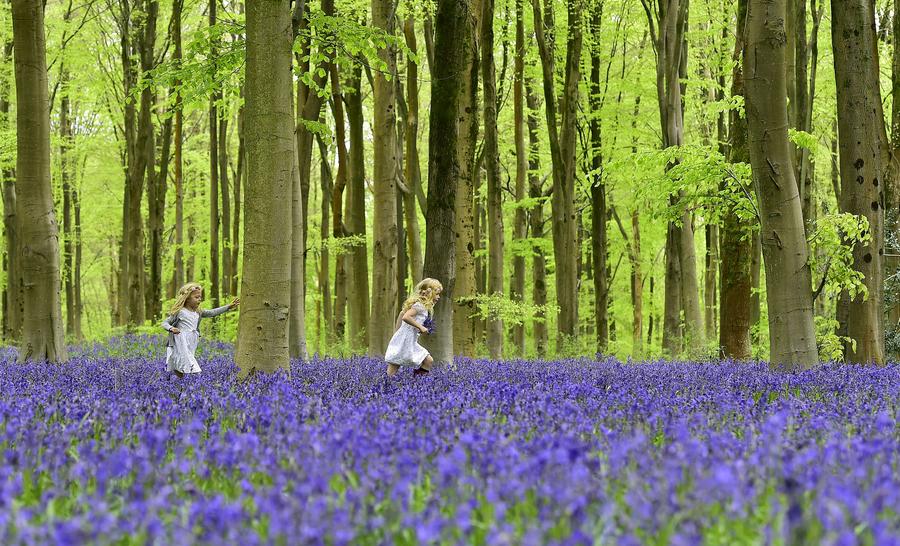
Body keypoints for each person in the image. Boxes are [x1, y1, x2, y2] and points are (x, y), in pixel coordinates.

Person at [162, 282, 239, 377]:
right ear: (187, 299)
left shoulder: (198, 312)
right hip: (180, 341)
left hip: (192, 341)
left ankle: (180, 384)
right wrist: (171, 328)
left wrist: (228, 307)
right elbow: (165, 323)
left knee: (182, 363)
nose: (199, 300)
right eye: (196, 297)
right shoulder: (180, 312)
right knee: (190, 364)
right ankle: (196, 377)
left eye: (200, 297)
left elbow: (212, 313)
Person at [384, 278, 442, 377]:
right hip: (405, 340)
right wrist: (421, 327)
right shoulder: (420, 306)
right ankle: (385, 387)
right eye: (437, 294)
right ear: (429, 293)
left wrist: (396, 333)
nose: (439, 297)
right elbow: (406, 317)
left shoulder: (422, 307)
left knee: (428, 360)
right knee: (393, 368)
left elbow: (402, 314)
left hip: (408, 340)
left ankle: (417, 384)